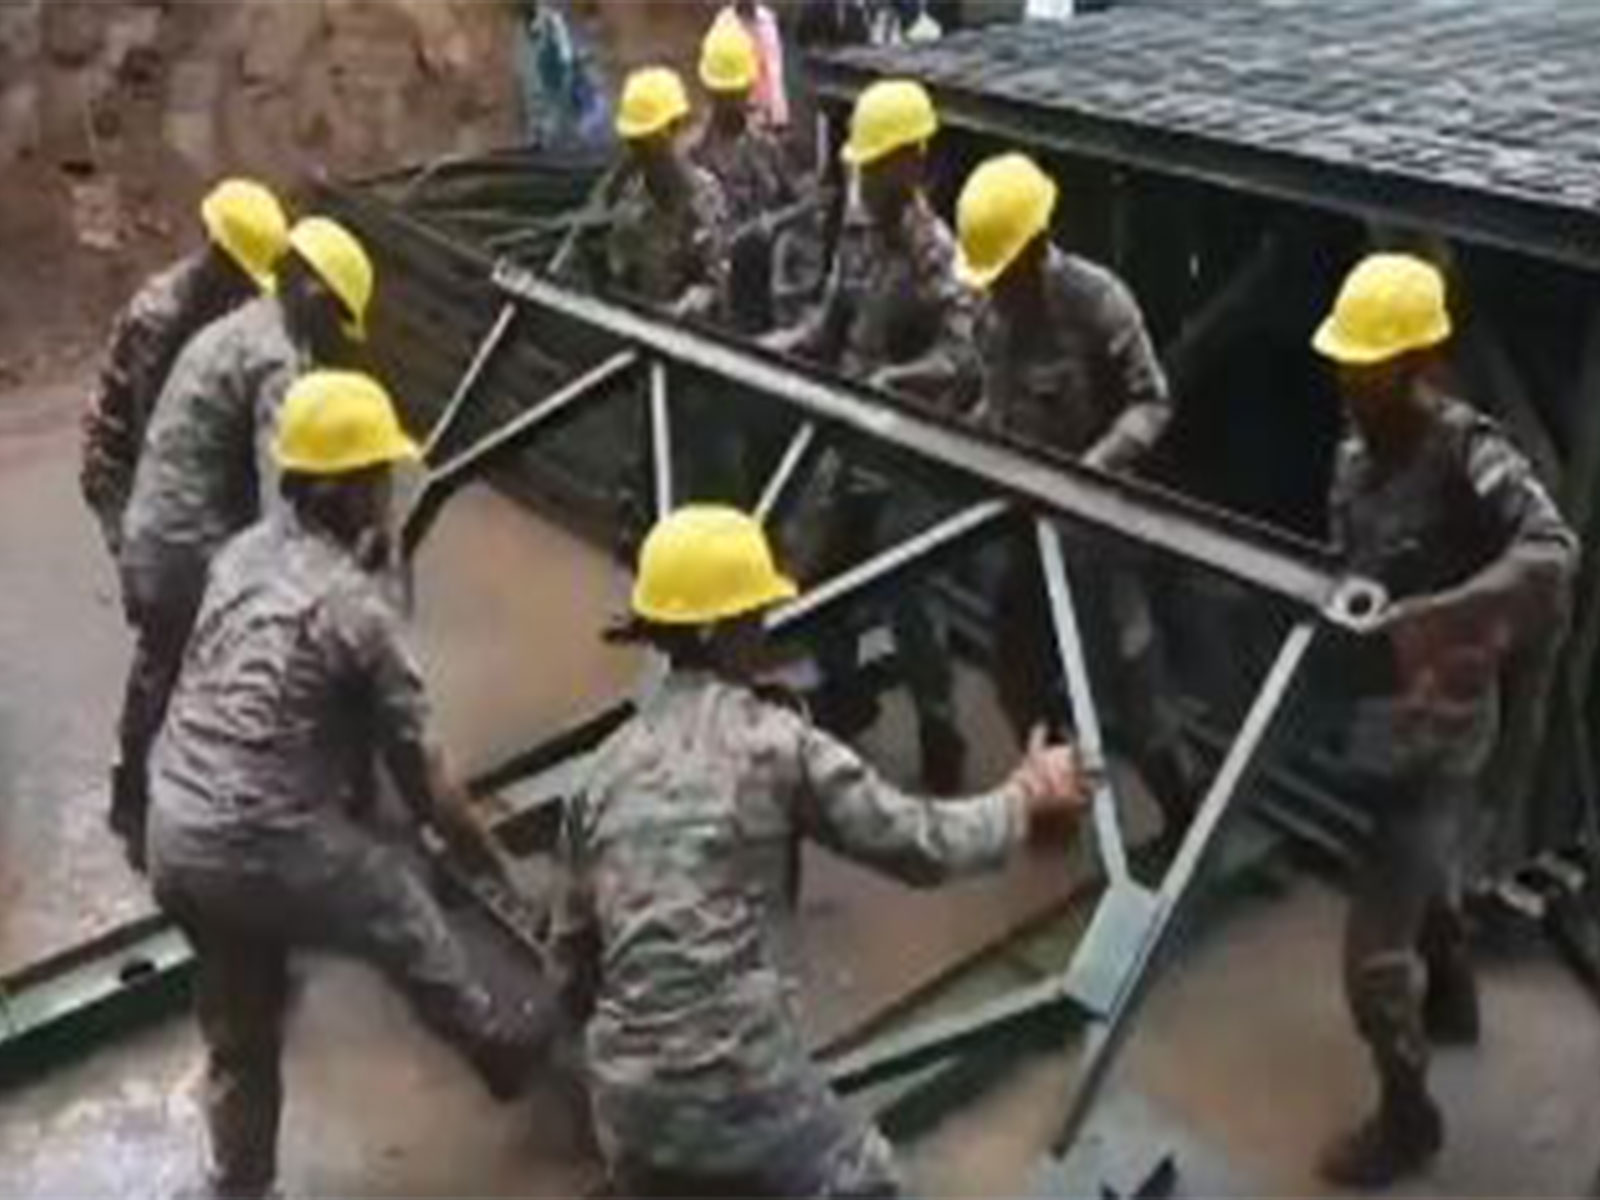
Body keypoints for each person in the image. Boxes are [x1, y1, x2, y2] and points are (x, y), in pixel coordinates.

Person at [555, 504, 1089, 1197]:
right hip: (742, 1086)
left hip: (628, 1112)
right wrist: (1027, 795)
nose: (765, 630)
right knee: (870, 1183)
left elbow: (569, 965)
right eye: (755, 615)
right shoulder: (775, 744)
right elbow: (921, 845)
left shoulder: (597, 775)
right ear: (726, 630)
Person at [147, 371, 551, 1200]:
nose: (389, 491)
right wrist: (506, 877)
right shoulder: (355, 611)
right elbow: (432, 790)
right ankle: (497, 1048)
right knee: (394, 894)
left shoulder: (239, 556)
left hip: (175, 830)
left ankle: (239, 1183)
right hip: (255, 838)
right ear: (350, 489)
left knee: (240, 1029)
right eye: (380, 476)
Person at [1311, 253, 1577, 1188]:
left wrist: (1447, 617)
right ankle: (1455, 991)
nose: (1351, 382)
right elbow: (1345, 562)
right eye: (1346, 364)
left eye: (1370, 368)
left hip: (1447, 726)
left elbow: (1552, 550)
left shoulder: (1469, 452)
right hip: (1381, 715)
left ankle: (1407, 1121)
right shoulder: (1353, 453)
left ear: (1421, 362)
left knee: (1371, 962)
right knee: (1420, 871)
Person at [112, 216, 375, 869]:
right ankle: (228, 833)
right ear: (315, 295)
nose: (337, 337)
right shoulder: (278, 361)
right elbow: (284, 494)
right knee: (245, 680)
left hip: (152, 533)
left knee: (160, 669)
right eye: (338, 318)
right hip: (190, 549)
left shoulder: (236, 327)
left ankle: (132, 805)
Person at [955, 151, 1198, 849]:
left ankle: (1186, 818)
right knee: (1017, 667)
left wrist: (1092, 470)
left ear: (1035, 247)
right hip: (1024, 522)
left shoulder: (1097, 301)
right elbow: (995, 404)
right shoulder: (991, 314)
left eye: (1005, 271)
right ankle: (1056, 794)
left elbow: (1152, 403)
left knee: (1131, 683)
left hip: (1100, 531)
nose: (997, 287)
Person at [765, 78, 979, 792]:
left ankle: (941, 734)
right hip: (848, 437)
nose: (868, 176)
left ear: (913, 162)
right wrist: (781, 345)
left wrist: (898, 379)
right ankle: (848, 694)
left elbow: (964, 357)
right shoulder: (858, 224)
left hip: (907, 454)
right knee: (813, 577)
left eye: (880, 164)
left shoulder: (937, 252)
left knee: (909, 597)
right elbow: (829, 319)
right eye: (867, 164)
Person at [80, 178, 289, 559]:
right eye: (244, 274)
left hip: (185, 448)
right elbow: (159, 439)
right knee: (163, 562)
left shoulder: (230, 297)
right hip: (120, 465)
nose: (251, 288)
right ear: (218, 255)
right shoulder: (160, 320)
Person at [693, 13, 798, 334]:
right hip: (707, 286)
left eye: (735, 92)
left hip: (758, 284)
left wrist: (772, 224)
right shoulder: (693, 149)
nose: (730, 101)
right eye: (722, 93)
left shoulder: (765, 145)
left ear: (749, 87)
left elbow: (796, 205)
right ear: (709, 89)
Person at [607, 66, 732, 322]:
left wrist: (688, 306)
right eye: (636, 142)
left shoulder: (703, 196)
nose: (642, 152)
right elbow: (621, 278)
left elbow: (719, 279)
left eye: (650, 142)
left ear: (674, 129)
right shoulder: (629, 199)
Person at [719, 0, 790, 131]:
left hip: (760, 97)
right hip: (734, 91)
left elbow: (774, 67)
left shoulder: (766, 20)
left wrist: (778, 114)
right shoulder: (725, 20)